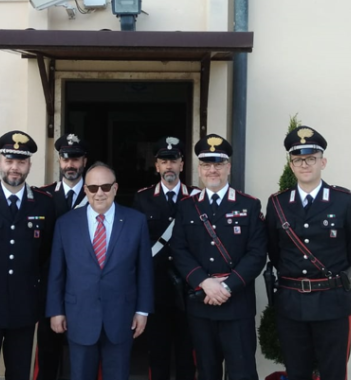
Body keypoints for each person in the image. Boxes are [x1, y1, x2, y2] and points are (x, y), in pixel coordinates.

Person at [264, 125, 351, 380]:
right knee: (296, 370)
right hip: (291, 302)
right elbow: (274, 251)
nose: (305, 164)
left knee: (333, 372)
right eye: (298, 159)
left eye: (311, 158)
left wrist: (334, 282)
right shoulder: (277, 203)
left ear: (323, 162)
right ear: (291, 165)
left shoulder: (344, 201)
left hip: (332, 301)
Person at [169, 134, 268, 380]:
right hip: (200, 304)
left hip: (237, 304)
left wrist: (225, 286)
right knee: (206, 371)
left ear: (228, 167)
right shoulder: (186, 206)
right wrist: (204, 282)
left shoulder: (249, 205)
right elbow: (179, 250)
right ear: (199, 169)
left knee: (242, 372)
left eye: (218, 164)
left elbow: (257, 254)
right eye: (206, 165)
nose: (212, 170)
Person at [46, 161, 154, 380]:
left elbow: (144, 270)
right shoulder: (65, 224)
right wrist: (55, 310)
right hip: (79, 316)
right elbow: (57, 271)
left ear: (115, 188)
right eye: (93, 188)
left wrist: (143, 311)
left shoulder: (136, 221)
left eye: (105, 187)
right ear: (85, 190)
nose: (99, 193)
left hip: (121, 317)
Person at [0, 130, 56, 380]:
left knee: (19, 373)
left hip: (24, 306)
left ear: (29, 166)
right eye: (9, 161)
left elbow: (47, 255)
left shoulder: (44, 203)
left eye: (21, 162)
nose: (15, 168)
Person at [131, 136, 199, 380]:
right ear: (156, 165)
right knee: (157, 353)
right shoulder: (142, 198)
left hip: (189, 287)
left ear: (182, 164)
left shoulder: (196, 196)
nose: (169, 166)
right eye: (163, 161)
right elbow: (137, 243)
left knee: (187, 355)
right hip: (155, 287)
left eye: (174, 160)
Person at [35, 133, 90, 380]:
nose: (71, 164)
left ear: (84, 161)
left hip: (86, 290)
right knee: (48, 355)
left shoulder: (97, 196)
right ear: (59, 160)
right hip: (50, 290)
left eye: (76, 158)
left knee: (84, 355)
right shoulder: (42, 197)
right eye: (66, 158)